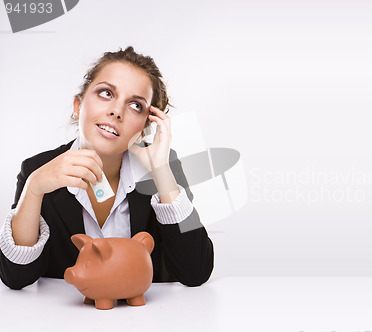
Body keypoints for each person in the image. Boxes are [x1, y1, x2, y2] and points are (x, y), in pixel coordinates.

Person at [0, 46, 214, 290]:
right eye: (105, 93)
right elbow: (16, 278)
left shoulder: (163, 169)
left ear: (145, 126)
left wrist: (161, 172)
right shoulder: (37, 170)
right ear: (78, 106)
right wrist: (35, 188)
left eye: (135, 105)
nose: (116, 111)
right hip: (63, 323)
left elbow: (196, 272)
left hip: (146, 321)